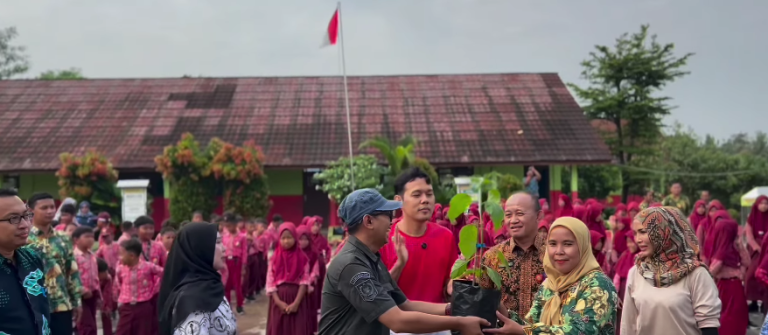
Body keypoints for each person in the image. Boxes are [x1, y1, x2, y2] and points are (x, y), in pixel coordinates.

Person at [319, 188, 489, 335]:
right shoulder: (352, 265)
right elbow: (397, 321)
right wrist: (459, 323)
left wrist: (455, 310)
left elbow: (405, 304)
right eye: (387, 215)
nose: (392, 221)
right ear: (369, 221)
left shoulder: (371, 259)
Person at [488, 217, 619, 335]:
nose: (559, 251)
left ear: (583, 246)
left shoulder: (598, 284)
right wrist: (502, 311)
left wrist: (525, 332)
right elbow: (531, 325)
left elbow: (582, 331)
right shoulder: (549, 285)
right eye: (553, 244)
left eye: (568, 244)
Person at [380, 168, 458, 335]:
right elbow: (380, 294)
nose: (425, 200)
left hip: (439, 325)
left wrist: (456, 284)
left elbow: (448, 285)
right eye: (417, 195)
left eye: (429, 194)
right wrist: (400, 264)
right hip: (400, 328)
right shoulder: (384, 239)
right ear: (398, 200)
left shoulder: (445, 237)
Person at [621, 206, 721, 335]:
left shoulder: (696, 273)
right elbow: (628, 324)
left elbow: (709, 324)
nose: (638, 239)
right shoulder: (637, 272)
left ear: (664, 231)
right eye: (635, 233)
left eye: (643, 231)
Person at [158, 222, 236, 335]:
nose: (224, 248)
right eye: (218, 242)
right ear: (199, 249)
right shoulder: (193, 301)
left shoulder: (211, 286)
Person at [479, 192, 545, 324]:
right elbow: (482, 301)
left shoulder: (555, 253)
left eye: (520, 213)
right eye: (508, 215)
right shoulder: (492, 257)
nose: (513, 220)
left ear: (538, 215)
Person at [26, 192, 83, 335]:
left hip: (61, 306)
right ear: (31, 210)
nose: (50, 211)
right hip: (32, 307)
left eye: (52, 207)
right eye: (44, 208)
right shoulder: (23, 239)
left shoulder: (63, 238)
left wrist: (77, 302)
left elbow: (72, 271)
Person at [0, 188, 51, 335]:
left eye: (26, 216)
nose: (25, 225)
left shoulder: (32, 258)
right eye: (13, 218)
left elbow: (42, 312)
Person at [265, 222, 313, 335]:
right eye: (283, 238)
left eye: (289, 237)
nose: (286, 241)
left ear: (295, 238)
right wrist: (278, 302)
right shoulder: (274, 258)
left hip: (297, 298)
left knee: (298, 329)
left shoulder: (303, 258)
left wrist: (296, 303)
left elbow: (304, 281)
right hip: (278, 299)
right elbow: (270, 282)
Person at [114, 238, 164, 335]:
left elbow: (164, 274)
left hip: (144, 306)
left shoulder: (148, 267)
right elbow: (117, 285)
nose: (119, 258)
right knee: (122, 331)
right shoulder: (120, 268)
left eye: (121, 254)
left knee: (143, 331)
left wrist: (155, 289)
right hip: (126, 307)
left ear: (132, 256)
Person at [709, 218, 749, 335]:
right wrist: (739, 272)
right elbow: (747, 263)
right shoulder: (730, 247)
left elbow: (713, 270)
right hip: (733, 287)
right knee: (733, 318)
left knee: (728, 317)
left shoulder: (725, 248)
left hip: (726, 287)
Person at [73, 226, 101, 335]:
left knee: (93, 324)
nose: (90, 239)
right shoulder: (73, 256)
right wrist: (81, 289)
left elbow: (95, 277)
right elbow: (70, 277)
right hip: (80, 296)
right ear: (76, 240)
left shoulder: (92, 255)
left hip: (92, 294)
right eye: (86, 236)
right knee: (86, 326)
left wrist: (99, 295)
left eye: (92, 237)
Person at [222, 212, 248, 315]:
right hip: (226, 261)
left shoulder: (242, 237)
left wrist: (244, 265)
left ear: (236, 224)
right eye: (226, 225)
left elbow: (244, 251)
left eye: (230, 225)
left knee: (237, 285)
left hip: (237, 262)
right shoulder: (224, 236)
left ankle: (240, 306)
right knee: (227, 285)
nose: (228, 228)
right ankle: (228, 306)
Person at [297, 224, 322, 331]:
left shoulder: (314, 253)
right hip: (296, 288)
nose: (303, 242)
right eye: (300, 239)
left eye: (305, 239)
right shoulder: (295, 253)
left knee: (309, 310)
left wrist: (307, 282)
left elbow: (315, 271)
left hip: (310, 288)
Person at [746, 195, 768, 311]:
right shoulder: (751, 219)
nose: (764, 206)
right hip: (756, 251)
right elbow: (749, 236)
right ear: (757, 205)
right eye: (761, 203)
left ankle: (764, 302)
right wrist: (757, 247)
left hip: (767, 250)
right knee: (750, 276)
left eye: (766, 203)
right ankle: (753, 301)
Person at [97, 258, 115, 335]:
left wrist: (106, 308)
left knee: (106, 315)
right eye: (105, 271)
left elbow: (107, 295)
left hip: (104, 299)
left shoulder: (107, 278)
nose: (107, 273)